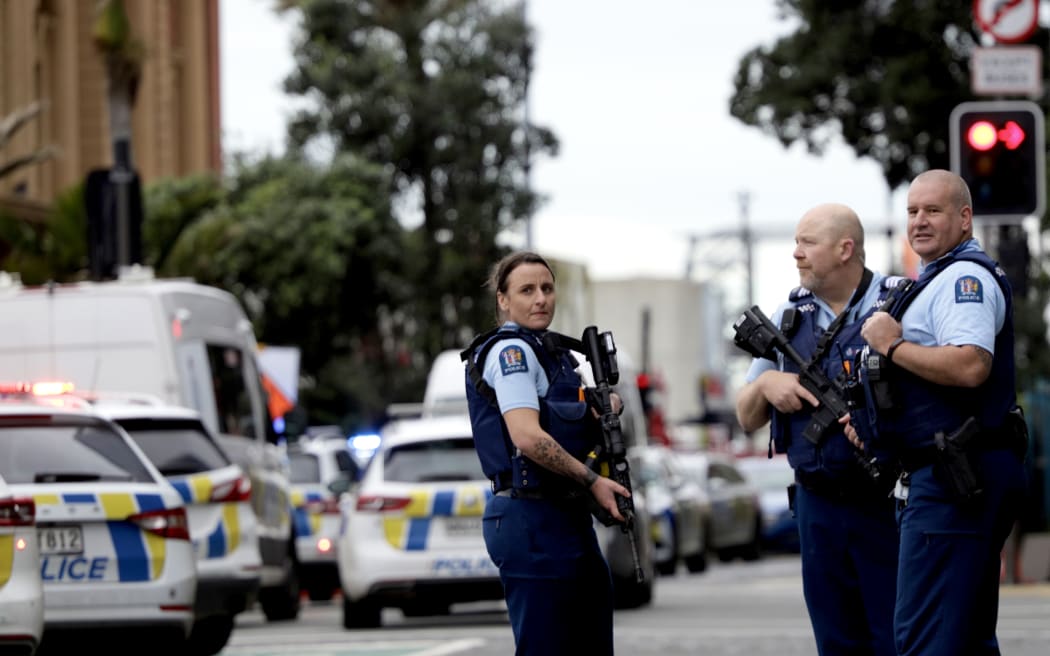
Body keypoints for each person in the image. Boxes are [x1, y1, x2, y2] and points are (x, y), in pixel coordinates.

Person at [847, 169, 1028, 655]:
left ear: (965, 219)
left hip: (952, 479)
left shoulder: (962, 279)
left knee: (929, 640)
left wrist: (893, 345)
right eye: (912, 211)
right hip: (952, 472)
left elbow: (970, 365)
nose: (919, 222)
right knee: (963, 637)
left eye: (933, 211)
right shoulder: (936, 279)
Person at [735, 203, 899, 656]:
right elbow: (746, 416)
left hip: (883, 501)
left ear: (845, 249)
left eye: (807, 243)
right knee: (835, 639)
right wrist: (768, 382)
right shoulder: (790, 314)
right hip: (817, 502)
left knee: (895, 636)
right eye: (795, 242)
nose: (796, 254)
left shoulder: (896, 302)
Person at [461, 251, 629, 656]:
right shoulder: (512, 353)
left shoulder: (554, 354)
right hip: (530, 518)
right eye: (527, 290)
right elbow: (527, 438)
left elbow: (562, 427)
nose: (541, 299)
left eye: (547, 288)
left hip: (565, 515)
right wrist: (592, 480)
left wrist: (599, 409)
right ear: (503, 300)